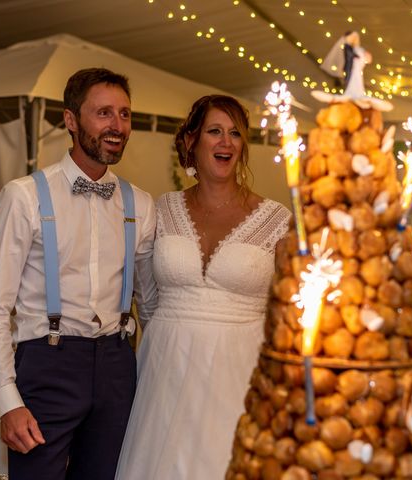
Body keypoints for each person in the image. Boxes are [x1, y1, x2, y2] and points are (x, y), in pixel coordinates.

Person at [0, 68, 157, 480]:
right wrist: (8, 402)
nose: (118, 126)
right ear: (71, 120)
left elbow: (151, 306)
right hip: (47, 361)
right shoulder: (24, 196)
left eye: (125, 114)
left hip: (116, 365)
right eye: (104, 113)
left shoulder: (141, 204)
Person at [115, 95, 291, 479]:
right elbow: (144, 294)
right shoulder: (161, 210)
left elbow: (290, 310)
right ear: (192, 140)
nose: (226, 142)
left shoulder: (277, 219)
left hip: (240, 370)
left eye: (235, 134)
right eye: (215, 131)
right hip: (166, 368)